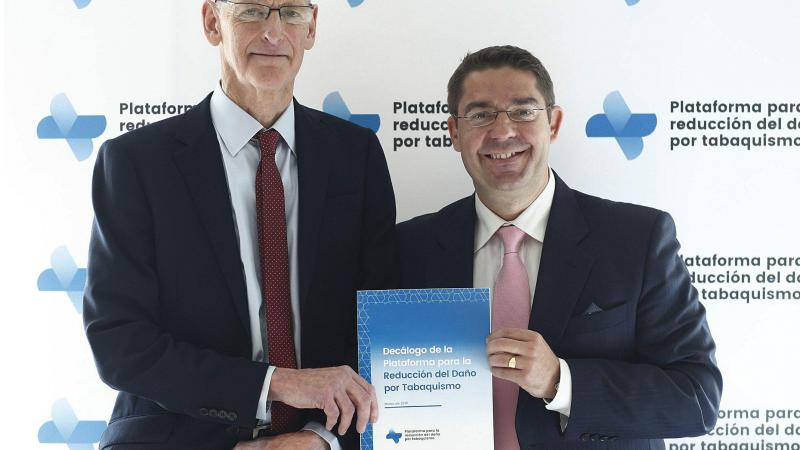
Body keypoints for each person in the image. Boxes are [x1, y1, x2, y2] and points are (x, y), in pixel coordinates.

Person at [83, 1, 395, 449]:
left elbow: (381, 323)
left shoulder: (357, 156)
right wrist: (275, 385)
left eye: (290, 12)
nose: (273, 32)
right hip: (176, 436)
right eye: (252, 11)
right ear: (213, 22)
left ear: (311, 28)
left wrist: (320, 438)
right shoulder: (136, 163)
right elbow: (120, 343)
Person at [395, 45, 722, 449]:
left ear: (553, 122)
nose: (502, 131)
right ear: (453, 132)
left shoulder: (638, 239)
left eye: (523, 111)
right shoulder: (407, 248)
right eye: (480, 114)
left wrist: (559, 381)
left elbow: (697, 397)